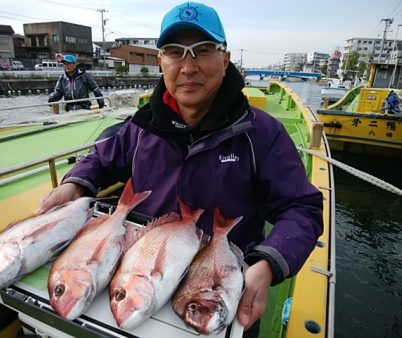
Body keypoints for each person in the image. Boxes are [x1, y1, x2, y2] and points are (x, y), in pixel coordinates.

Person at [37, 2, 323, 336]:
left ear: (225, 58)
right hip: (141, 283)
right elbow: (101, 160)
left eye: (202, 51)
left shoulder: (261, 134)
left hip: (220, 294)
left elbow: (301, 208)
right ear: (161, 61)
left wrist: (268, 264)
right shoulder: (142, 126)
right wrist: (76, 185)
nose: (188, 67)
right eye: (175, 52)